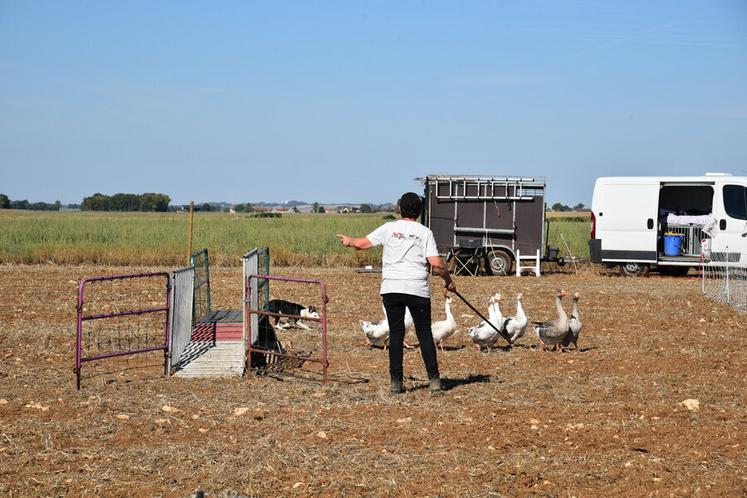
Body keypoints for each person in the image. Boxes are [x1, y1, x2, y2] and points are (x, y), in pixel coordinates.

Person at [336, 192, 456, 394]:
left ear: (400, 209)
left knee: (397, 335)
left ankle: (396, 383)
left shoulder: (389, 228)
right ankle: (434, 382)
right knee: (425, 334)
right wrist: (448, 281)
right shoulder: (425, 232)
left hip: (391, 289)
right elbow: (436, 265)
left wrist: (349, 241)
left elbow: (361, 244)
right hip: (417, 289)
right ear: (419, 211)